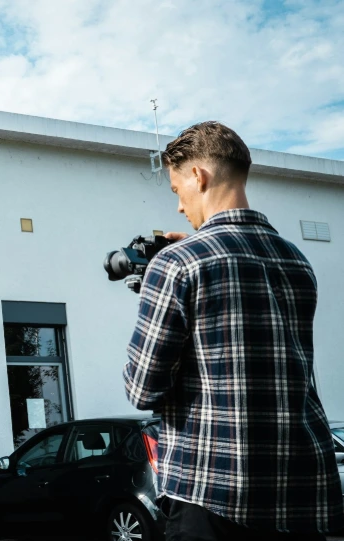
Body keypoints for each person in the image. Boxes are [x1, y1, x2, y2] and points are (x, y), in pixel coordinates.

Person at [122, 121, 343, 541]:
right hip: (299, 489)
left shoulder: (176, 264)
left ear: (198, 177)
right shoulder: (296, 261)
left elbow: (142, 390)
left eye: (176, 191)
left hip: (212, 494)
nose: (179, 207)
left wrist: (163, 275)